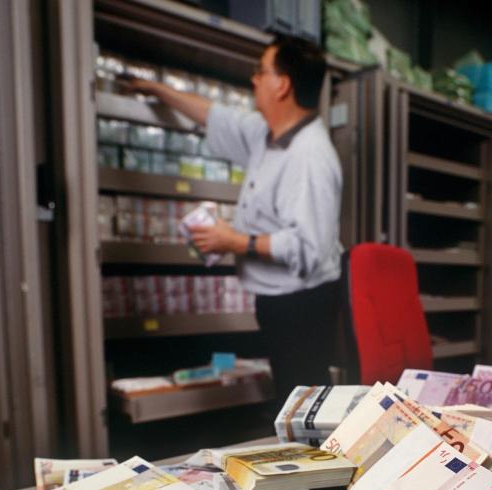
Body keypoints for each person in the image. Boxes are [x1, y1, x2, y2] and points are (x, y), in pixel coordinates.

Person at [126, 35, 342, 407]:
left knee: (304, 405)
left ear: (283, 85)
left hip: (302, 306)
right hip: (278, 301)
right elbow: (212, 114)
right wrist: (156, 88)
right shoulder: (266, 134)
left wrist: (234, 241)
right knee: (291, 400)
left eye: (262, 71)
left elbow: (308, 249)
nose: (254, 79)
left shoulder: (310, 157)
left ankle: (316, 461)